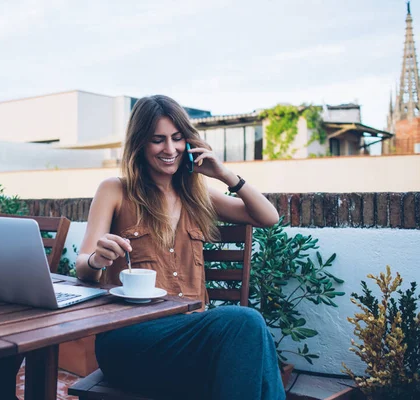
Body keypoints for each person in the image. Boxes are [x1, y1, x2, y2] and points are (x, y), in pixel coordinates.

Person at [76, 95, 285, 400]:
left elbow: (269, 217)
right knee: (248, 324)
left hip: (189, 339)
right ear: (140, 144)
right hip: (129, 340)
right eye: (157, 140)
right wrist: (97, 260)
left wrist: (225, 175)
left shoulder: (199, 196)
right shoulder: (115, 190)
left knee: (252, 335)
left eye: (177, 138)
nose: (170, 149)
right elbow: (83, 266)